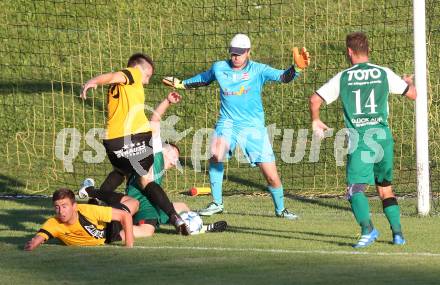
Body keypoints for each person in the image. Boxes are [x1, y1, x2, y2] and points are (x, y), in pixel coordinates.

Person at [162, 33, 310, 219]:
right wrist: (182, 84)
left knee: (271, 176)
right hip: (228, 123)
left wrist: (296, 69)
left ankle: (281, 209)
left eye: (240, 53)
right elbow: (204, 79)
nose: (235, 57)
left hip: (253, 127)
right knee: (216, 154)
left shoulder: (258, 70)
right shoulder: (220, 67)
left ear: (248, 52)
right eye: (233, 53)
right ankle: (217, 203)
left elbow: (283, 77)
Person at [309, 32, 417, 248]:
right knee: (385, 187)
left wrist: (316, 120)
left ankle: (368, 230)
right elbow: (412, 94)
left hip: (361, 139)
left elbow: (315, 99)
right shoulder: (383, 73)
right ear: (368, 50)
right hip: (383, 138)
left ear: (349, 52)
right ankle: (397, 234)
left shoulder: (344, 76)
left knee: (354, 188)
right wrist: (406, 82)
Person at [80, 53, 188, 234]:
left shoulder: (120, 89)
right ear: (140, 69)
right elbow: (114, 76)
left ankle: (93, 197)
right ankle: (173, 216)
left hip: (112, 142)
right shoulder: (133, 73)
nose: (146, 82)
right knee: (145, 180)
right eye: (148, 76)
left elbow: (114, 79)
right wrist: (94, 81)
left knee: (121, 171)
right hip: (134, 137)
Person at [24, 188, 134, 251]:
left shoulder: (87, 211)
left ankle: (91, 191)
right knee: (147, 229)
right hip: (109, 238)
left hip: (111, 225)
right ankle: (97, 201)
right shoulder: (53, 223)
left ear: (74, 206)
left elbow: (125, 216)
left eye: (64, 206)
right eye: (57, 207)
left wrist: (128, 247)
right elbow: (39, 238)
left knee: (134, 203)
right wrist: (33, 244)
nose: (61, 211)